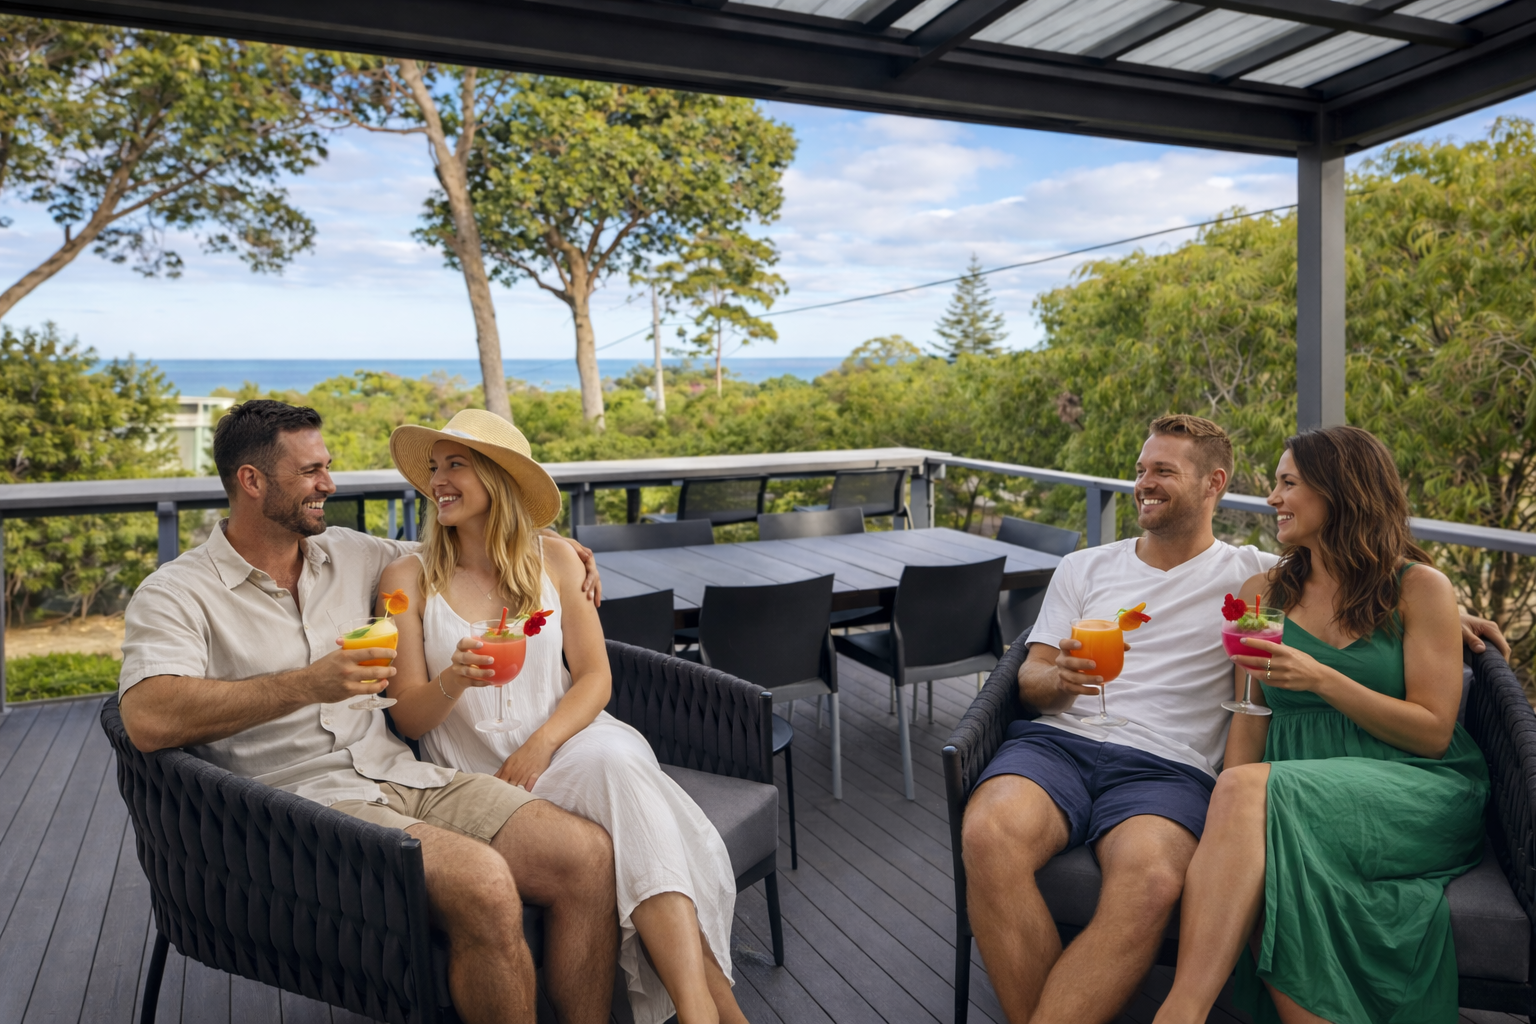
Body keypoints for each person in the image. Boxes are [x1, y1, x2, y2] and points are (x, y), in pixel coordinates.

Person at [960, 414, 1506, 1024]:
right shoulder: (1216, 586)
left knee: (1153, 880)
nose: (1144, 483)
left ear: (1212, 484)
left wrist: (1442, 618)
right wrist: (1058, 678)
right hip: (1064, 745)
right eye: (1141, 470)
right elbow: (1037, 678)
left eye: (1163, 471)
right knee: (987, 833)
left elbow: (1369, 601)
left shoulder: (1253, 577)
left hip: (1173, 770)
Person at [116, 400, 619, 1024]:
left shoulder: (349, 553)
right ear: (251, 481)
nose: (329, 484)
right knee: (484, 883)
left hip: (404, 775)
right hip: (298, 811)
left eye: (326, 466)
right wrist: (306, 685)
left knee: (588, 857)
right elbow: (146, 716)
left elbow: (469, 538)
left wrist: (554, 548)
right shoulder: (176, 592)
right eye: (311, 472)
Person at [378, 408, 744, 1024]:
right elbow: (411, 719)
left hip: (565, 743)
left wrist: (543, 743)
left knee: (615, 758)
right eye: (434, 469)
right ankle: (713, 1009)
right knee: (636, 800)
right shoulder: (406, 579)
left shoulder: (555, 562)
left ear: (499, 479)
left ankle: (698, 1011)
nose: (438, 480)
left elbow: (596, 677)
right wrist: (453, 678)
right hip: (477, 780)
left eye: (456, 465)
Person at [1153, 426, 1489, 1024]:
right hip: (1293, 787)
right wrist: (1229, 822)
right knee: (1249, 823)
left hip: (1413, 783)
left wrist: (1322, 679)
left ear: (1340, 491)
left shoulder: (1419, 588)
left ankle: (1180, 1013)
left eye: (1288, 483)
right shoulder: (1263, 593)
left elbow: (1435, 732)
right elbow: (1250, 719)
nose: (1272, 498)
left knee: (1250, 801)